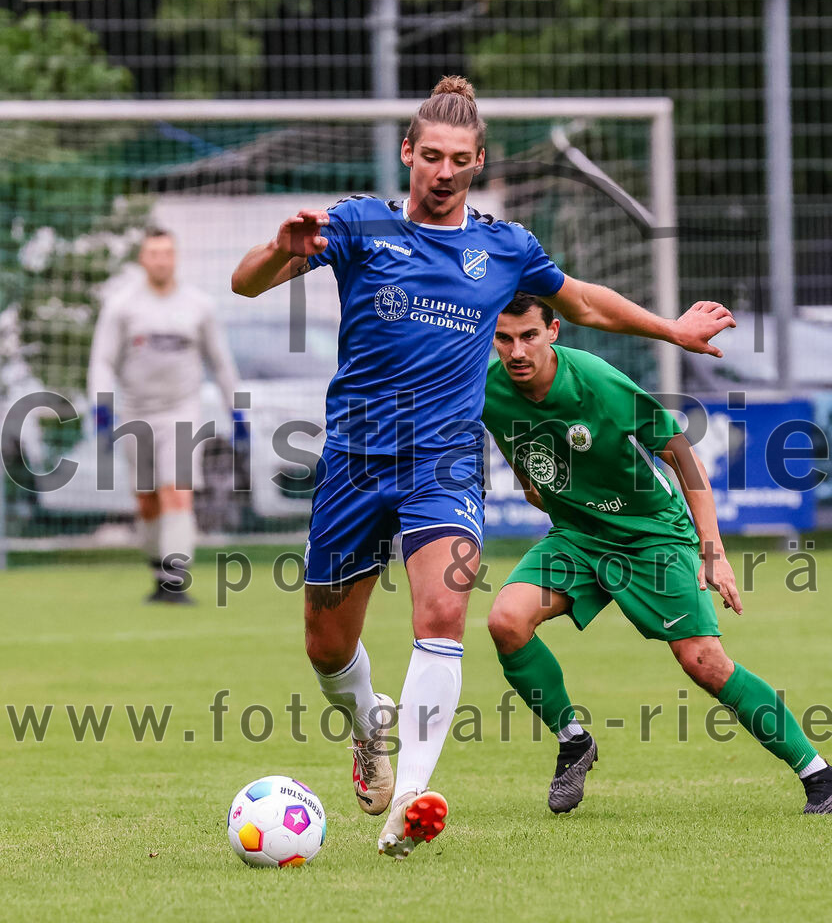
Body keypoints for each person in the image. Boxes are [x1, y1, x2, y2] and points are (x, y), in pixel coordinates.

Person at [230, 75, 736, 859]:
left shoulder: (505, 248)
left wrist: (671, 330)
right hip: (355, 462)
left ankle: (411, 799)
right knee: (327, 648)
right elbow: (246, 282)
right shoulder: (359, 226)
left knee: (442, 618)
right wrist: (277, 250)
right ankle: (372, 728)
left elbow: (586, 302)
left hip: (443, 461)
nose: (443, 171)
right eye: (430, 155)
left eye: (459, 159)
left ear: (478, 162)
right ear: (407, 153)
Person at [483, 293, 832, 815]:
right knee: (506, 621)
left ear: (554, 332)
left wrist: (714, 552)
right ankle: (573, 740)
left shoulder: (596, 382)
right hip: (578, 536)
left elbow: (680, 453)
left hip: (651, 534)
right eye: (504, 338)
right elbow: (519, 452)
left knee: (703, 661)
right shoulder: (485, 387)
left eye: (528, 335)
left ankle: (822, 776)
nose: (517, 351)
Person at [89, 227, 244, 604]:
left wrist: (237, 410)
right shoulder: (122, 305)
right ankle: (158, 571)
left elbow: (221, 362)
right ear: (143, 259)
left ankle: (175, 579)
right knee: (147, 499)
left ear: (175, 258)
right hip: (136, 413)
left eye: (167, 253)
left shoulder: (198, 305)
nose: (160, 260)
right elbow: (103, 360)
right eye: (153, 254)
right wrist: (100, 407)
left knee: (177, 491)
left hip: (182, 412)